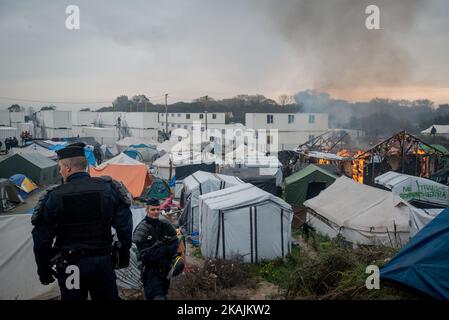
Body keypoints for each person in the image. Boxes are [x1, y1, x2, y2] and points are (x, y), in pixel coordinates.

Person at [31, 142, 133, 300]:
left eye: (60, 168)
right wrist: (123, 252)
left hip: (71, 267)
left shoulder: (55, 196)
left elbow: (42, 239)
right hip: (102, 263)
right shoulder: (107, 189)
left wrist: (43, 269)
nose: (60, 171)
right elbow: (124, 225)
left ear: (68, 168)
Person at [133, 198, 180, 300]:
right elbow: (146, 255)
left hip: (165, 270)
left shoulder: (165, 225)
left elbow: (176, 242)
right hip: (150, 272)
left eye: (158, 209)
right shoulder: (142, 229)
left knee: (164, 294)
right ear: (147, 210)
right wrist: (165, 250)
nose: (156, 212)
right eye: (153, 210)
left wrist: (166, 250)